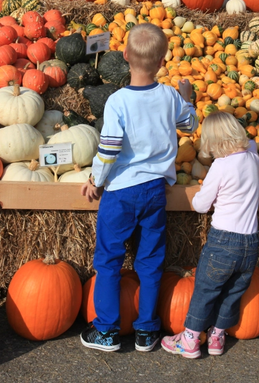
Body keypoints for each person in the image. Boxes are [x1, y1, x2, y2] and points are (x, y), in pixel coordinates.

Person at [79, 23, 197, 353]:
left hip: (120, 193)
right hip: (154, 192)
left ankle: (106, 330)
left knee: (108, 261)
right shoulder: (171, 97)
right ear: (161, 61)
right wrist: (187, 100)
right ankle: (147, 330)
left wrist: (95, 180)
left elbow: (110, 148)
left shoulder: (117, 102)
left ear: (126, 56)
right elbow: (190, 125)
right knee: (149, 261)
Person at [160, 111, 259, 359]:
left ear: (212, 143)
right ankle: (216, 337)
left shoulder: (221, 166)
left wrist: (198, 194)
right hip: (251, 242)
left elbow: (201, 205)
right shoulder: (252, 157)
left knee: (206, 289)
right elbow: (251, 143)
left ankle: (190, 340)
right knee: (233, 292)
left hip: (223, 242)